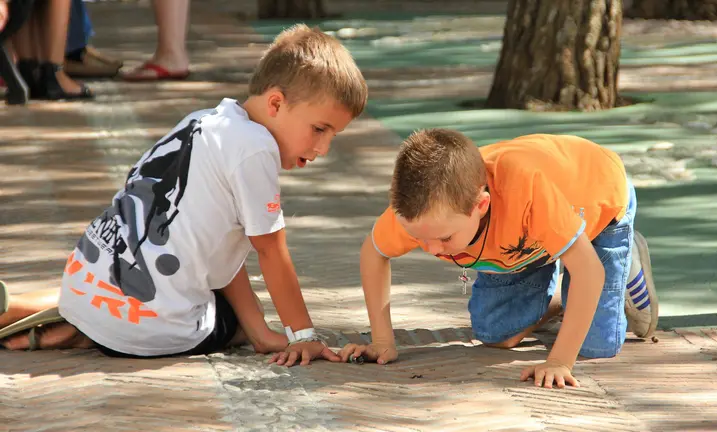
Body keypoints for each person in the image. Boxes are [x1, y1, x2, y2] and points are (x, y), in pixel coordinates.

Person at [0, 24, 368, 367]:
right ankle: (68, 335)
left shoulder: (201, 122)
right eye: (319, 129)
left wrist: (262, 332)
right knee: (229, 320)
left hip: (84, 283)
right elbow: (271, 250)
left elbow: (220, 249)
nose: (323, 148)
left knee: (203, 289)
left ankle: (30, 311)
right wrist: (301, 335)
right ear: (275, 103)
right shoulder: (257, 149)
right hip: (144, 330)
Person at [339, 129, 658, 388]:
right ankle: (566, 281)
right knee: (496, 334)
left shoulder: (526, 190)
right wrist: (382, 341)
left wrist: (559, 361)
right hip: (531, 235)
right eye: (421, 238)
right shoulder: (426, 211)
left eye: (444, 239)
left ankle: (626, 258)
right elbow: (374, 252)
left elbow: (589, 270)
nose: (432, 249)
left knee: (595, 347)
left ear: (481, 206)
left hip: (600, 205)